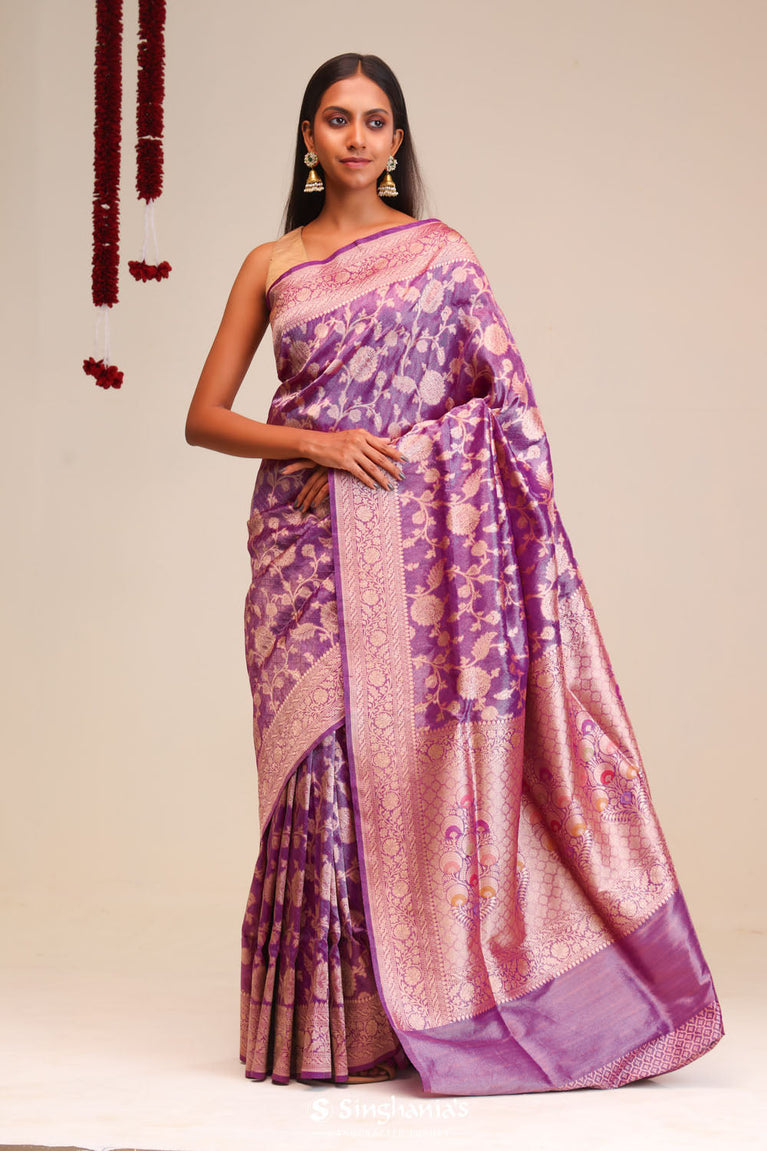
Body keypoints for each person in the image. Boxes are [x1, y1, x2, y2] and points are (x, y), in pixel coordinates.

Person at [185, 52, 724, 1094]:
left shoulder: (440, 254)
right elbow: (203, 417)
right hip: (303, 552)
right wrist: (315, 444)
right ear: (308, 138)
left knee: (404, 770)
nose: (353, 137)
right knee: (319, 770)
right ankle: (326, 1030)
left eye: (372, 120)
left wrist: (400, 464)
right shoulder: (270, 263)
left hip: (417, 550)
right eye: (334, 118)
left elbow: (509, 413)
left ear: (396, 141)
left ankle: (423, 1012)